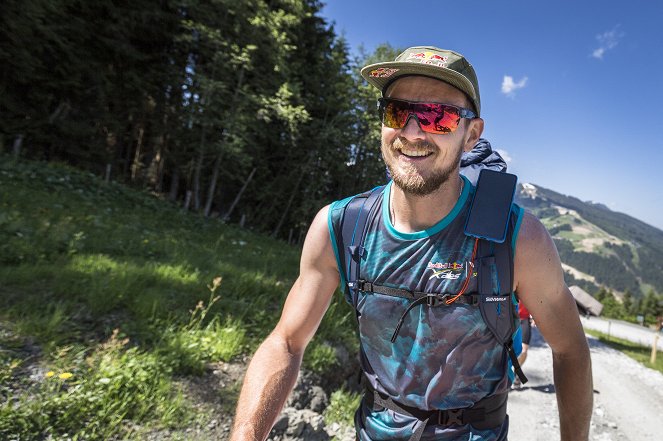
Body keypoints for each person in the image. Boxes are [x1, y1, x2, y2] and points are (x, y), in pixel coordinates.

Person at [230, 46, 593, 441]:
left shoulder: (520, 239)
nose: (413, 131)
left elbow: (571, 350)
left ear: (471, 134)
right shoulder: (340, 226)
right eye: (398, 112)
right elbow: (286, 340)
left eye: (440, 117)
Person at [513, 301, 533, 388]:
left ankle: (516, 371)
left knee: (524, 351)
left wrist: (534, 316)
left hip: (524, 319)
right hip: (511, 319)